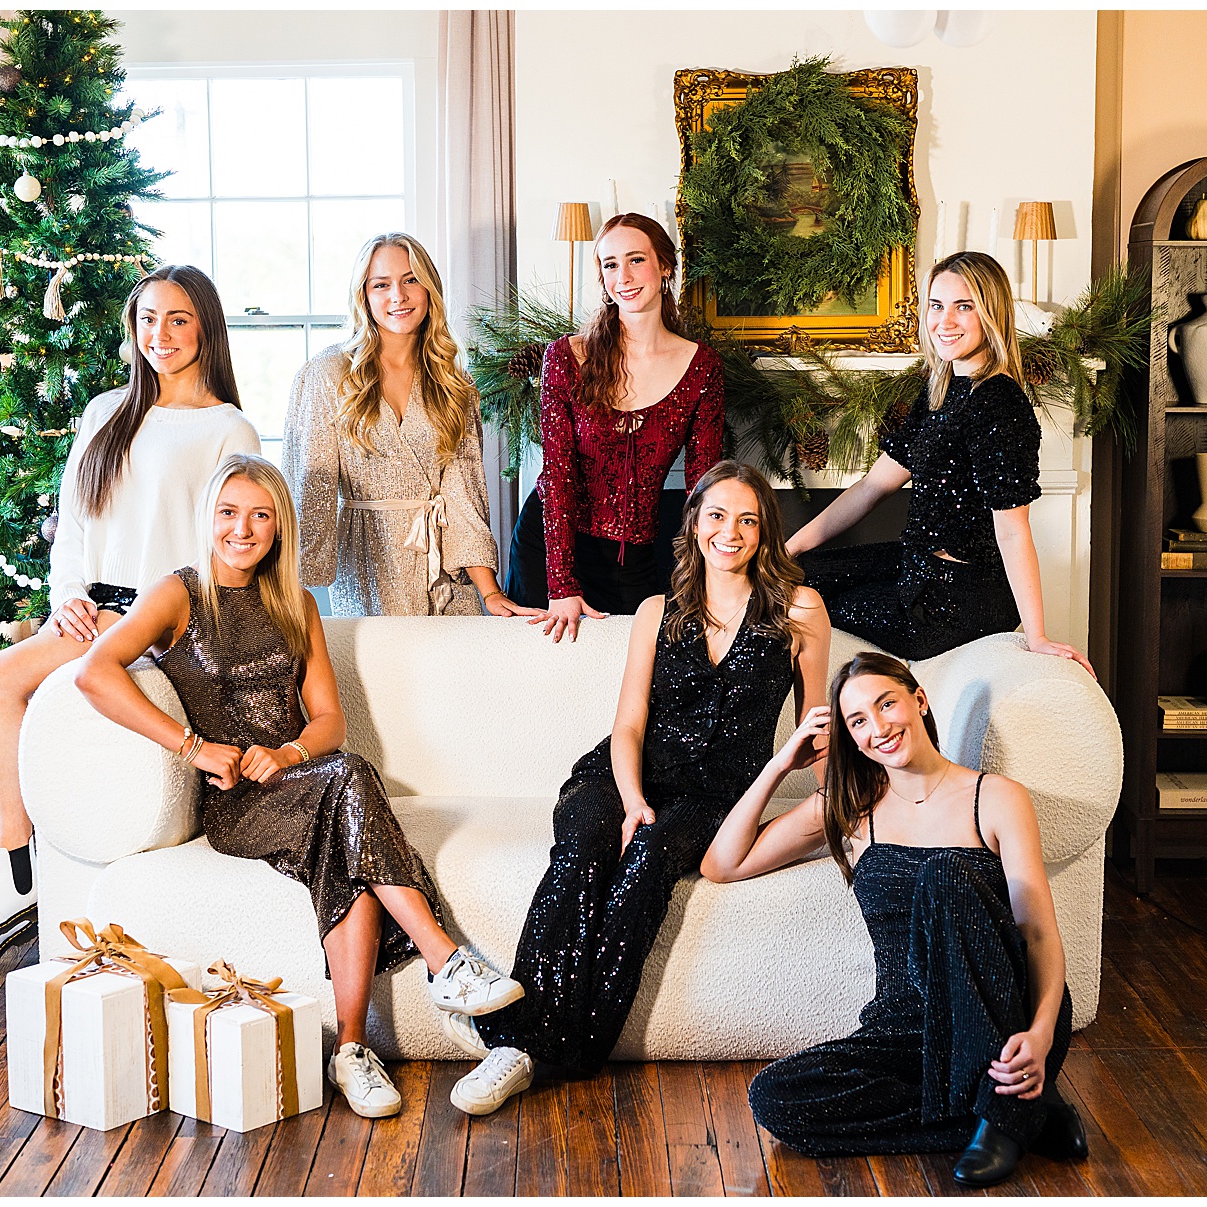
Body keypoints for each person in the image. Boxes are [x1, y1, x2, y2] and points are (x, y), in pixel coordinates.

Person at [74, 454, 522, 1118]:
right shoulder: (178, 593)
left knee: (347, 829)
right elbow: (94, 673)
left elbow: (330, 721)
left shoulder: (295, 602)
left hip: (302, 779)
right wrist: (193, 747)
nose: (242, 529)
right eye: (229, 513)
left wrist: (287, 752)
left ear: (279, 526)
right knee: (350, 780)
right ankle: (446, 962)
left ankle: (350, 1051)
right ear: (209, 518)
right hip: (236, 803)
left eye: (260, 515)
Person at [444, 461, 832, 1115]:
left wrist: (854, 801)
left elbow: (814, 735)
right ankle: (510, 1048)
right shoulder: (658, 610)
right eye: (716, 515)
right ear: (695, 524)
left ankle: (559, 1052)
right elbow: (626, 725)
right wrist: (631, 801)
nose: (729, 531)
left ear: (765, 530)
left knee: (648, 859)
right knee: (584, 849)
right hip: (618, 775)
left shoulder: (800, 610)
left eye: (747, 519)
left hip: (714, 800)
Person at [0, 266, 261, 981]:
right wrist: (66, 594)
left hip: (156, 619)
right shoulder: (106, 409)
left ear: (204, 327)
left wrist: (161, 618)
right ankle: (8, 896)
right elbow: (74, 517)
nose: (159, 335)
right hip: (90, 611)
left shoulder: (227, 426)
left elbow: (227, 541)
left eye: (176, 319)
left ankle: (14, 883)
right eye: (146, 320)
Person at [698, 650, 1088, 1188]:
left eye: (887, 704)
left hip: (1003, 1014)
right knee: (775, 1098)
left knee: (944, 873)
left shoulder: (995, 797)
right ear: (851, 737)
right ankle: (1015, 1113)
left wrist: (1042, 1033)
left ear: (919, 701)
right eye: (858, 720)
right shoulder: (850, 806)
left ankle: (1002, 1113)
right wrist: (780, 763)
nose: (878, 727)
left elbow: (1038, 931)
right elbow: (723, 865)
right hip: (904, 1028)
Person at [784, 251, 1092, 671]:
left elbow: (1013, 530)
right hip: (915, 563)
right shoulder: (941, 390)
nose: (944, 321)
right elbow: (873, 487)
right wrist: (790, 547)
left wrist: (1036, 635)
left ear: (991, 313)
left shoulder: (998, 401)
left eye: (963, 306)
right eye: (936, 305)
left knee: (809, 601)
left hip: (952, 598)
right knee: (794, 572)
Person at [281, 232, 535, 618]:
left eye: (410, 279)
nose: (398, 296)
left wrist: (490, 593)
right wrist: (292, 593)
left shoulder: (454, 382)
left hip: (447, 576)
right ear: (363, 295)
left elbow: (463, 494)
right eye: (381, 285)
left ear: (429, 288)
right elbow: (308, 489)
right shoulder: (327, 374)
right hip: (368, 566)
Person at [503, 212, 726, 641]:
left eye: (636, 259)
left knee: (633, 678)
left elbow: (704, 487)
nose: (622, 275)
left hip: (637, 554)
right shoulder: (565, 357)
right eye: (609, 264)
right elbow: (559, 474)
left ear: (665, 266)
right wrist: (562, 585)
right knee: (543, 678)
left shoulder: (702, 367)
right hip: (550, 545)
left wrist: (708, 583)